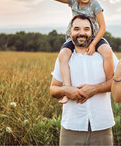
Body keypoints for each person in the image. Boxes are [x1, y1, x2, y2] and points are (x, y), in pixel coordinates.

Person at [28, 0, 114, 104]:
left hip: (93, 36)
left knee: (107, 51)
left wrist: (94, 43)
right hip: (74, 38)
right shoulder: (73, 1)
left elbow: (103, 27)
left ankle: (108, 83)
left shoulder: (94, 4)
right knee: (63, 55)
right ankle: (67, 89)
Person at [50, 14, 116, 145]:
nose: (82, 33)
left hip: (102, 127)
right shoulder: (64, 57)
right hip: (71, 127)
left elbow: (116, 83)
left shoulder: (105, 54)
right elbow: (53, 89)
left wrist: (96, 89)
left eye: (86, 29)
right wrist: (65, 90)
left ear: (92, 32)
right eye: (77, 29)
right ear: (70, 32)